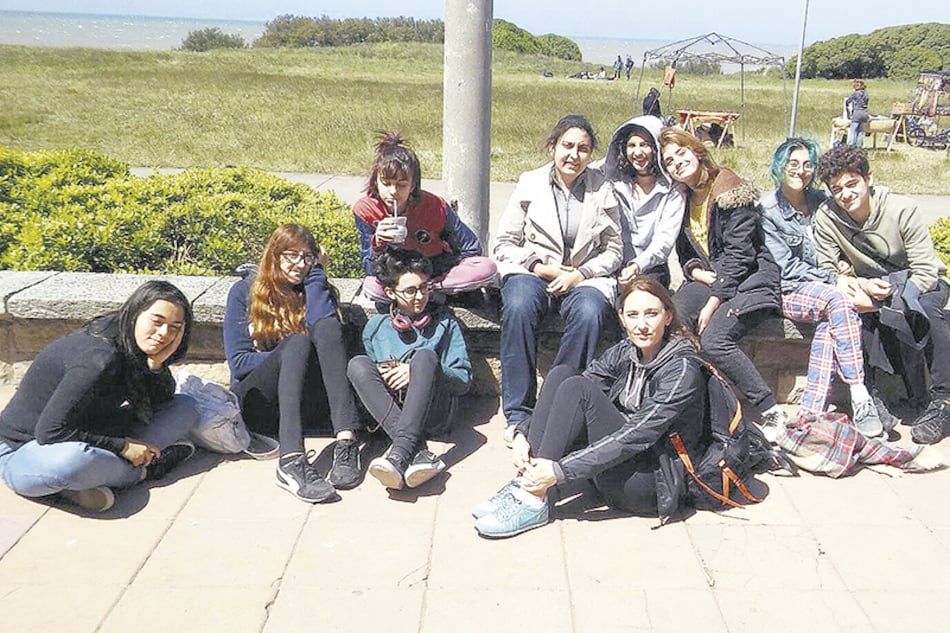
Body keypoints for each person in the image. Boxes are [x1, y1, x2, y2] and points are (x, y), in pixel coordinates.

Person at [473, 278, 709, 538]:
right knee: (563, 374)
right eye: (633, 315)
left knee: (579, 390)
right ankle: (528, 482)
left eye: (651, 314)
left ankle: (534, 495)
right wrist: (522, 434)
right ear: (621, 317)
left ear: (668, 316)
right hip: (620, 463)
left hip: (651, 485)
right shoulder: (626, 351)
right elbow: (581, 385)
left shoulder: (682, 369)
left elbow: (639, 434)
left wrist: (560, 471)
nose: (641, 325)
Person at [0, 281, 199, 513]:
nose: (165, 334)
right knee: (73, 463)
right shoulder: (98, 359)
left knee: (186, 408)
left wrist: (156, 366)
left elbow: (161, 402)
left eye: (176, 327)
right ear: (135, 314)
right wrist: (123, 447)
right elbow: (50, 432)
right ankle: (145, 470)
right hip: (26, 448)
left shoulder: (131, 342)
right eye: (157, 322)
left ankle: (84, 482)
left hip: (90, 428)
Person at [493, 114, 623, 443]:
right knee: (519, 305)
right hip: (534, 270)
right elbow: (504, 242)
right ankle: (519, 412)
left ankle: (558, 402)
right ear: (553, 147)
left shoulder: (602, 188)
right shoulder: (530, 183)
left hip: (584, 276)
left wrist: (581, 274)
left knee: (590, 312)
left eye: (583, 149)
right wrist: (540, 267)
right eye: (567, 146)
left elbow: (614, 249)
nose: (573, 155)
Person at [813, 145, 950, 444]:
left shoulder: (902, 209)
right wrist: (861, 287)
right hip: (872, 287)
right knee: (854, 314)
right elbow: (827, 269)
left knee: (928, 312)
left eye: (852, 184)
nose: (846, 194)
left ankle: (943, 402)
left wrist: (886, 297)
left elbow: (926, 271)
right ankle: (870, 398)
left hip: (920, 284)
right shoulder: (827, 218)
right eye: (837, 189)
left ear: (868, 179)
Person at [658, 127, 787, 440]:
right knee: (671, 319)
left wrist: (715, 299)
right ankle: (679, 401)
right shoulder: (683, 198)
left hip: (749, 280)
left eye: (681, 153)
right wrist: (696, 273)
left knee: (715, 340)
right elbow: (686, 252)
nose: (676, 163)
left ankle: (770, 410)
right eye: (669, 161)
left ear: (698, 151)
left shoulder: (729, 188)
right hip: (711, 277)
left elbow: (741, 254)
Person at [224, 224, 361, 503]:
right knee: (297, 343)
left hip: (306, 407)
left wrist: (316, 278)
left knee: (326, 330)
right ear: (274, 255)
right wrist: (286, 356)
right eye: (291, 255)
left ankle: (346, 441)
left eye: (307, 257)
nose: (299, 264)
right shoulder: (243, 292)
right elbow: (238, 363)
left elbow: (327, 332)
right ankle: (291, 461)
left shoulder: (316, 290)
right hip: (257, 404)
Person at [760, 138, 885, 437]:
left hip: (827, 292)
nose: (801, 171)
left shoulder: (822, 201)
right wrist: (834, 278)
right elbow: (786, 269)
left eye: (807, 164)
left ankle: (811, 411)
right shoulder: (768, 211)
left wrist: (842, 262)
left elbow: (846, 238)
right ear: (779, 167)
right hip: (788, 290)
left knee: (832, 320)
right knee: (837, 300)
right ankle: (859, 393)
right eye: (793, 164)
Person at [347, 250, 472, 490]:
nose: (420, 296)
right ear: (391, 293)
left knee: (424, 357)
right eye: (410, 291)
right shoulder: (375, 328)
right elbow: (370, 383)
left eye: (425, 288)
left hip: (434, 413)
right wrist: (381, 374)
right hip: (394, 413)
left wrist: (419, 372)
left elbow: (463, 380)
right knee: (357, 364)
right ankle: (418, 452)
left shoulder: (446, 324)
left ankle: (399, 454)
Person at [352, 131, 496, 303]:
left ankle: (426, 289)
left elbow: (471, 248)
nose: (393, 192)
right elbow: (369, 268)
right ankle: (412, 291)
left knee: (486, 267)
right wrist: (378, 244)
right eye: (386, 183)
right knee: (371, 287)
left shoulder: (435, 206)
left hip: (434, 270)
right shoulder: (366, 210)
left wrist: (431, 267)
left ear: (413, 185)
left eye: (401, 185)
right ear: (376, 181)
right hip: (395, 273)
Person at [603, 115, 686, 289]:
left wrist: (637, 265)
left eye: (645, 145)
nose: (637, 153)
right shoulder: (614, 181)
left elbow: (664, 240)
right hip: (613, 262)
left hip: (650, 267)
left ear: (657, 149)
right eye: (632, 145)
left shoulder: (673, 189)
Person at [845, 79, 870, 148]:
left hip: (857, 113)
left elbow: (848, 101)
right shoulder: (866, 94)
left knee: (853, 130)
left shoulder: (856, 93)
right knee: (861, 132)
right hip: (865, 113)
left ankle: (850, 145)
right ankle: (859, 146)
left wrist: (848, 109)